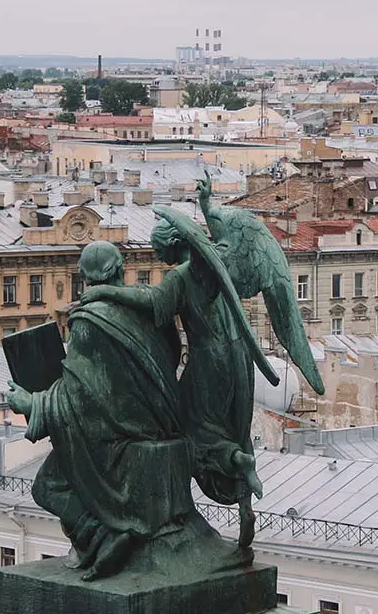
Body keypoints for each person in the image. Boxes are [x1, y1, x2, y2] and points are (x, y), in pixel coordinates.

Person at [6, 241, 191, 580]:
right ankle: (106, 536)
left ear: (84, 279)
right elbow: (168, 359)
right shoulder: (148, 307)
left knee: (48, 485)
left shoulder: (90, 320)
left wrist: (33, 404)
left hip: (117, 436)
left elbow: (83, 395)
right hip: (159, 422)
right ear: (121, 269)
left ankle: (103, 535)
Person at [81, 218, 263, 547]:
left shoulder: (181, 276)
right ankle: (243, 501)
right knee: (235, 426)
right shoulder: (214, 268)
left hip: (207, 361)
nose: (158, 255)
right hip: (238, 358)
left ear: (174, 244)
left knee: (189, 432)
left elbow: (154, 305)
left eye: (159, 248)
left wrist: (104, 291)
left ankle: (232, 461)